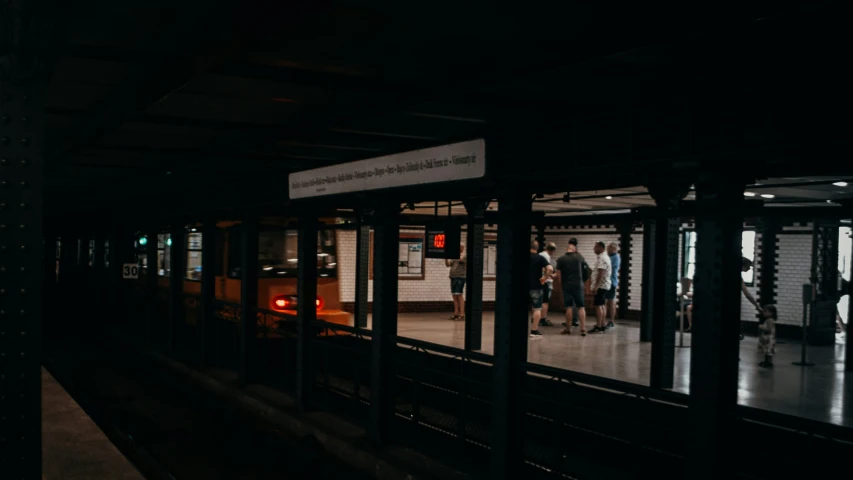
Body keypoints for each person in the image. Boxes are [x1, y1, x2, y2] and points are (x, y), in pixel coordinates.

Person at [557, 238, 588, 336]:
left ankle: (568, 328)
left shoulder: (561, 259)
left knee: (569, 306)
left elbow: (558, 275)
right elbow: (586, 270)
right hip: (579, 285)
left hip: (567, 285)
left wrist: (560, 286)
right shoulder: (580, 257)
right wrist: (583, 280)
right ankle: (583, 328)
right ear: (574, 249)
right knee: (581, 307)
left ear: (566, 249)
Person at [529, 240, 553, 337]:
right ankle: (534, 330)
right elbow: (550, 269)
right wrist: (544, 278)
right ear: (537, 248)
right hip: (536, 286)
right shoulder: (540, 258)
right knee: (537, 308)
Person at [589, 241, 612, 334]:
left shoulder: (602, 258)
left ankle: (599, 326)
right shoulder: (605, 257)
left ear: (600, 247)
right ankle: (602, 324)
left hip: (601, 285)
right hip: (604, 285)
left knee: (598, 306)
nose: (594, 249)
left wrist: (595, 286)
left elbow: (601, 272)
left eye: (595, 247)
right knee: (602, 305)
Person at [445, 244, 466, 321]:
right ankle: (456, 313)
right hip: (453, 278)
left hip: (460, 277)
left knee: (459, 295)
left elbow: (461, 259)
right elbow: (448, 265)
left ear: (462, 248)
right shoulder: (454, 256)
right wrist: (446, 258)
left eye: (460, 246)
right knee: (454, 296)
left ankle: (462, 314)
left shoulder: (464, 255)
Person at [539, 242, 558, 327]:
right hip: (545, 281)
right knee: (545, 301)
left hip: (538, 280)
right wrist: (551, 275)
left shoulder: (540, 254)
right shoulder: (546, 256)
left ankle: (538, 316)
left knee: (538, 300)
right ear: (552, 251)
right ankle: (543, 319)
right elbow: (547, 269)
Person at [605, 242, 620, 329]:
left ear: (613, 249)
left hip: (611, 282)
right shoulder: (609, 257)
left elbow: (607, 267)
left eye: (609, 248)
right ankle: (605, 319)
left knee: (611, 301)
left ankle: (611, 321)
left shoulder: (615, 257)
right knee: (606, 302)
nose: (607, 250)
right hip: (607, 282)